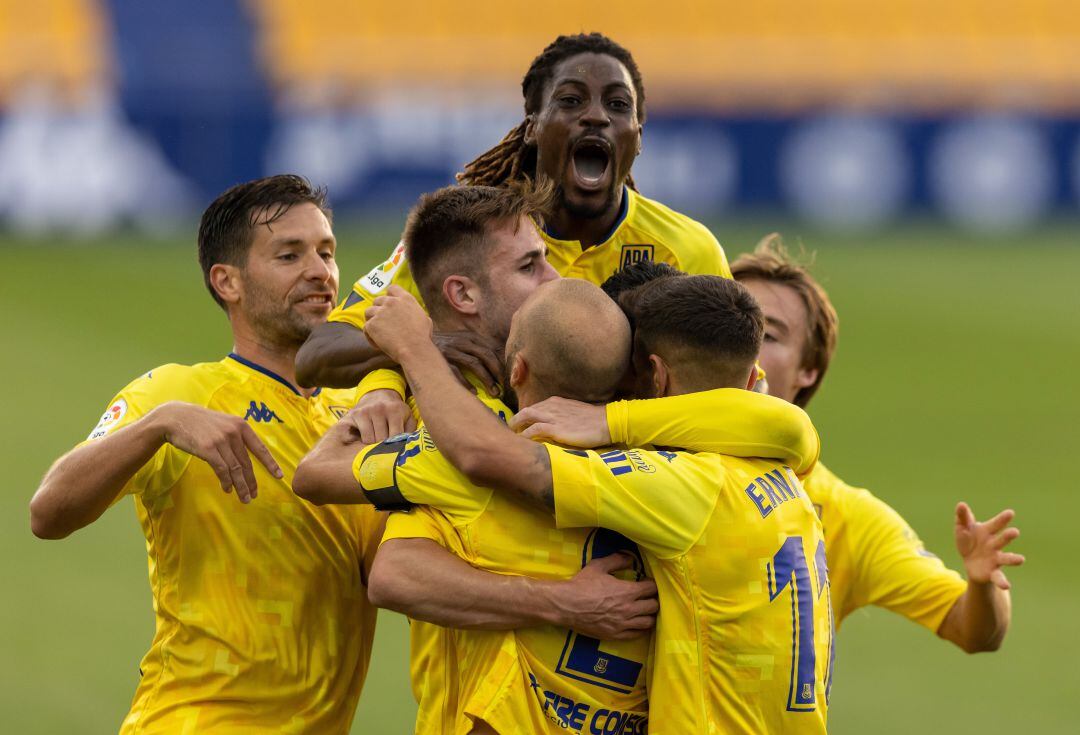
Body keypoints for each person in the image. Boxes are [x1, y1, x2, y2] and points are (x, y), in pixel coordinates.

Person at [293, 186, 818, 733]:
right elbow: (792, 430)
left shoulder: (459, 442)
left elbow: (373, 531)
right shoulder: (683, 440)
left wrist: (405, 361)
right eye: (531, 264)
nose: (558, 277)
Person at [517, 245, 1024, 655]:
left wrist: (982, 583)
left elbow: (972, 629)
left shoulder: (845, 515)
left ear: (810, 370)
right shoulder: (636, 450)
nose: (745, 350)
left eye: (768, 335)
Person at [28, 175, 386, 733]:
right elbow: (48, 512)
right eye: (289, 255)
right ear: (228, 282)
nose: (320, 271)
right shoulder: (178, 395)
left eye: (326, 251)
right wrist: (157, 427)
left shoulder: (357, 414)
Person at [294, 32, 734, 440]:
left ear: (637, 137)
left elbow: (734, 399)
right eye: (571, 100)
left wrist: (610, 421)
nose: (597, 116)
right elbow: (321, 351)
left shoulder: (688, 250)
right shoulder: (463, 232)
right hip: (476, 475)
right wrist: (419, 350)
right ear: (533, 126)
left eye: (619, 106)